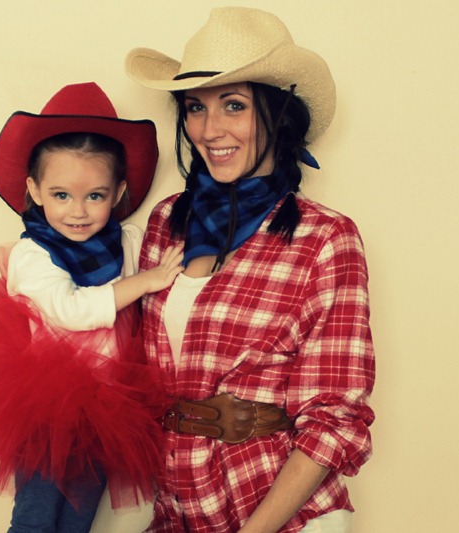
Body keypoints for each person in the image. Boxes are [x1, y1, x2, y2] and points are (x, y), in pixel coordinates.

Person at [125, 7, 375, 533]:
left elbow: (334, 418)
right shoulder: (167, 222)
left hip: (282, 518)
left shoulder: (325, 238)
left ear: (277, 116)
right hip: (181, 512)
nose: (209, 129)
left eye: (233, 105)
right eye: (196, 107)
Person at [0, 82, 183, 533]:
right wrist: (142, 282)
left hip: (108, 409)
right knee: (36, 518)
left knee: (78, 519)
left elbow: (164, 272)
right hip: (47, 407)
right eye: (61, 195)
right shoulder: (34, 254)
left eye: (95, 195)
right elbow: (69, 311)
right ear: (35, 190)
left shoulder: (127, 242)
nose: (78, 211)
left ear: (118, 192)